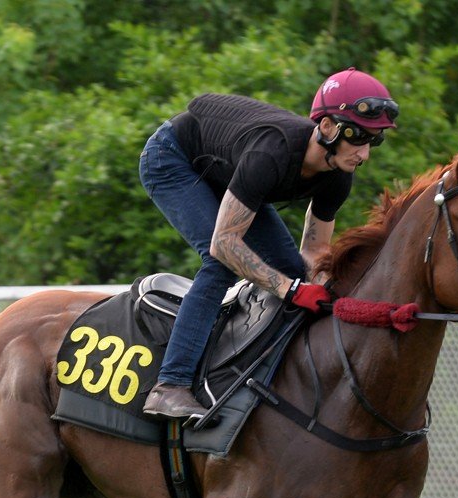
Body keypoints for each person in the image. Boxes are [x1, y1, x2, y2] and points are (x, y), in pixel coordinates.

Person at [138, 68, 399, 420]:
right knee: (222, 264)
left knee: (291, 269)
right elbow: (224, 244)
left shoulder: (339, 176)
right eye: (358, 138)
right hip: (174, 158)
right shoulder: (271, 155)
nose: (364, 154)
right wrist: (290, 291)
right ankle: (170, 385)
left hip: (227, 171)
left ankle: (265, 373)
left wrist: (330, 293)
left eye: (374, 141)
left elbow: (315, 252)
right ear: (327, 128)